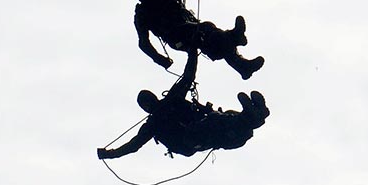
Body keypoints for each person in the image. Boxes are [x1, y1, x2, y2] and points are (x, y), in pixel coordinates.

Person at [97, 52, 269, 160]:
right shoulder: (156, 120)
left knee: (226, 118)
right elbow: (133, 145)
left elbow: (187, 78)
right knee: (219, 119)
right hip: (195, 139)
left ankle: (254, 115)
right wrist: (109, 154)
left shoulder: (167, 106)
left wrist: (192, 53)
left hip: (217, 133)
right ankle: (253, 116)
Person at [133, 0, 264, 80]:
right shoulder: (142, 14)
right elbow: (143, 43)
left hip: (190, 27)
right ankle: (236, 40)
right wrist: (161, 60)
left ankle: (241, 61)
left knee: (214, 37)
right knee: (207, 30)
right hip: (177, 38)